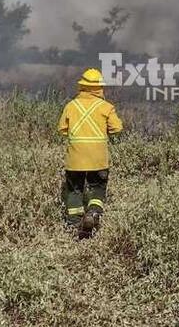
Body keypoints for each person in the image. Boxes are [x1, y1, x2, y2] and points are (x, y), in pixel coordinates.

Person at [57, 68, 123, 236]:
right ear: (100, 88)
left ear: (82, 86)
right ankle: (93, 214)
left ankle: (74, 225)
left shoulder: (71, 106)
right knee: (98, 188)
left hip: (75, 159)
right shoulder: (106, 107)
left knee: (74, 190)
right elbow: (117, 129)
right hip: (98, 158)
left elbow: (62, 130)